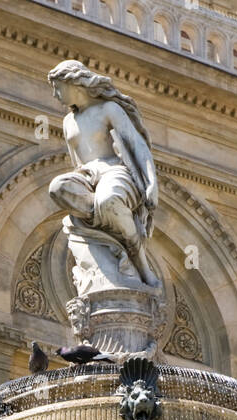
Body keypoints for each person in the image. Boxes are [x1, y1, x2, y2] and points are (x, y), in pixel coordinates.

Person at [47, 60, 159, 288]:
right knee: (57, 188)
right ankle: (104, 225)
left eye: (59, 88)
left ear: (74, 83)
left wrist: (151, 183)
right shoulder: (69, 121)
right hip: (86, 175)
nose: (56, 95)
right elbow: (75, 161)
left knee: (109, 199)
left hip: (113, 170)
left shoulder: (109, 109)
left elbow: (137, 145)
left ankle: (140, 262)